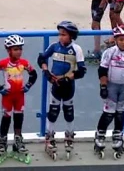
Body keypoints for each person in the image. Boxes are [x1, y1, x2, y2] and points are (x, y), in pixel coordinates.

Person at [38, 20, 86, 160]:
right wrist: (46, 71)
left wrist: (68, 78)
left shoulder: (77, 49)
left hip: (68, 85)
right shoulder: (54, 46)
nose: (60, 37)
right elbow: (41, 58)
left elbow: (82, 71)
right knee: (53, 111)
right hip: (56, 85)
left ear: (71, 36)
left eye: (63, 35)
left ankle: (69, 135)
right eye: (60, 34)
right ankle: (49, 135)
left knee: (68, 112)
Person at [0, 34, 37, 164]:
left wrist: (28, 86)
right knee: (6, 119)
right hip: (7, 97)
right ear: (8, 50)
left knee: (19, 119)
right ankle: (2, 142)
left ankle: (18, 141)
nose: (19, 51)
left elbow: (34, 74)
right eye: (15, 49)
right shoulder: (3, 63)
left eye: (20, 49)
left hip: (20, 96)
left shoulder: (24, 63)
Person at [94, 25, 124, 160]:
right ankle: (100, 134)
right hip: (112, 86)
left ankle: (118, 135)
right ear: (116, 40)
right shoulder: (110, 52)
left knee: (120, 113)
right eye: (121, 39)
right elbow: (102, 70)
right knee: (109, 113)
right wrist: (103, 87)